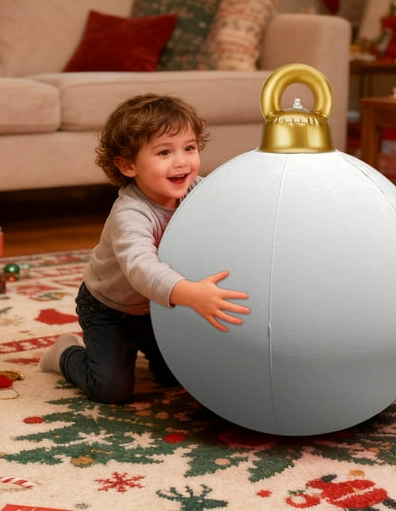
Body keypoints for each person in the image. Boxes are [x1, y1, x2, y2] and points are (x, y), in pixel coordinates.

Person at [39, 93, 250, 403]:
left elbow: (233, 209)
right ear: (128, 165)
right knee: (110, 389)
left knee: (179, 377)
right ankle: (65, 353)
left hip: (161, 309)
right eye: (164, 152)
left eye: (189, 148)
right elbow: (141, 268)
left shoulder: (200, 191)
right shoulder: (130, 213)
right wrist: (191, 293)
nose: (181, 161)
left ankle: (158, 357)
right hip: (110, 310)